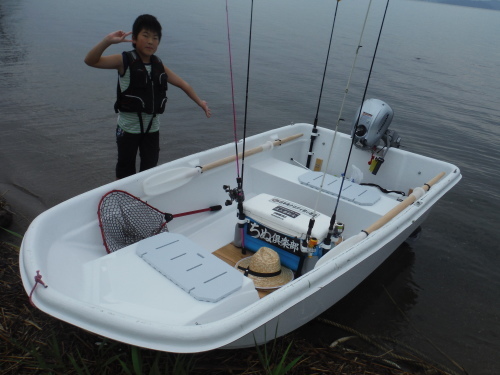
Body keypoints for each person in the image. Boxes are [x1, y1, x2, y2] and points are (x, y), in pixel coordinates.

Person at [84, 14, 211, 179]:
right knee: (125, 169)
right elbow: (90, 61)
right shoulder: (124, 61)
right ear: (135, 38)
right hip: (128, 130)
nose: (150, 41)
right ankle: (126, 201)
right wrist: (108, 40)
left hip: (152, 130)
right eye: (145, 36)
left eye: (155, 38)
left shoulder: (158, 65)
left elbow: (183, 84)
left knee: (149, 171)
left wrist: (200, 102)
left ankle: (144, 200)